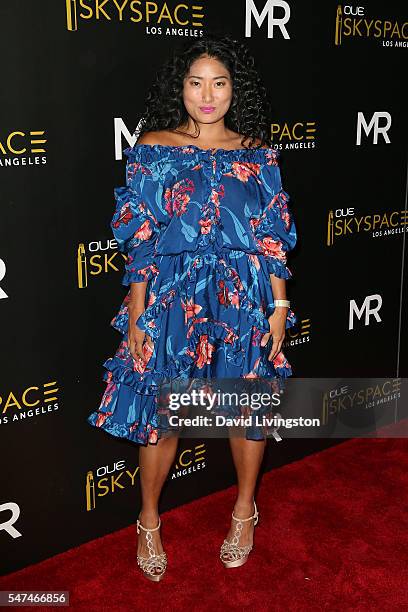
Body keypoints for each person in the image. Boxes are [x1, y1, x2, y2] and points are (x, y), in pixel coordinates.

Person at [87, 32, 297, 582]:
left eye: (220, 83)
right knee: (165, 414)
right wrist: (138, 313)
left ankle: (243, 511)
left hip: (243, 296)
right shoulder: (153, 147)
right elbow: (141, 240)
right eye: (196, 82)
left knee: (245, 408)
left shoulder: (256, 152)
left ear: (235, 89)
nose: (208, 95)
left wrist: (278, 305)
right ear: (180, 88)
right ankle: (149, 519)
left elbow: (271, 235)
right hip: (173, 296)